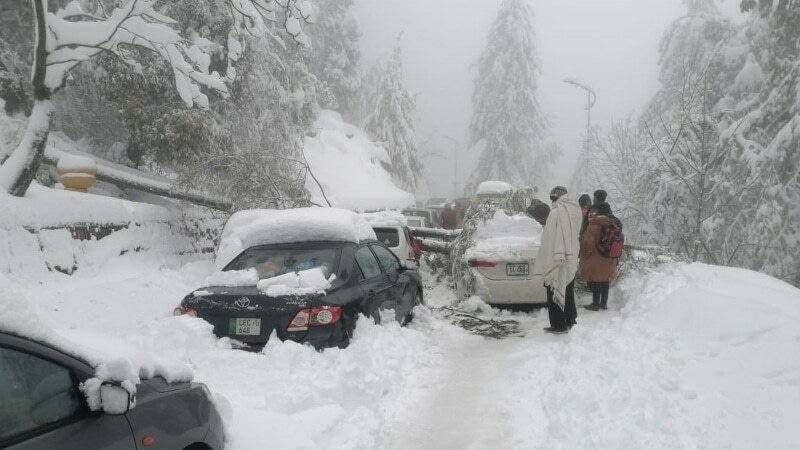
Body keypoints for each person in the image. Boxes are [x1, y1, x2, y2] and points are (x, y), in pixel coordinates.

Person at [532, 186, 583, 334]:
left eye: (552, 198)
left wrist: (546, 257)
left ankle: (558, 324)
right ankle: (570, 319)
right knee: (568, 288)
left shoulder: (556, 213)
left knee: (554, 289)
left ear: (555, 197)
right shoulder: (575, 210)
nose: (552, 201)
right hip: (571, 257)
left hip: (557, 258)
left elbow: (549, 240)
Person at [580, 202, 620, 311]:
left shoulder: (593, 226)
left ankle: (595, 304)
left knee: (597, 280)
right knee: (605, 281)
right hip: (609, 258)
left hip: (596, 258)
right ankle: (604, 303)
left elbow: (588, 243)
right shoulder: (611, 224)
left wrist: (583, 255)